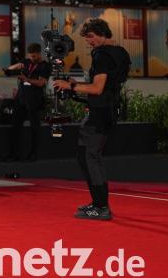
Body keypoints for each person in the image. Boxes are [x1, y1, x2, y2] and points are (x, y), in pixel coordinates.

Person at [52, 18, 130, 221]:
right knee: (90, 156)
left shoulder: (103, 55)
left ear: (102, 33)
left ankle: (101, 207)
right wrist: (76, 86)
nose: (89, 42)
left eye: (91, 37)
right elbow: (104, 86)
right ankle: (99, 204)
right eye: (87, 38)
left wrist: (71, 86)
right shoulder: (120, 52)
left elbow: (97, 88)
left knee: (89, 157)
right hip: (109, 110)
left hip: (100, 113)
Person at [5, 43, 50, 161]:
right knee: (15, 126)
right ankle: (13, 154)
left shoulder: (45, 66)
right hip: (21, 98)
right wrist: (16, 67)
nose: (32, 59)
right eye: (30, 56)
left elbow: (41, 83)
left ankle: (33, 154)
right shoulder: (25, 62)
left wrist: (26, 79)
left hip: (34, 99)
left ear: (40, 54)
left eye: (34, 56)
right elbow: (8, 70)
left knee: (35, 128)